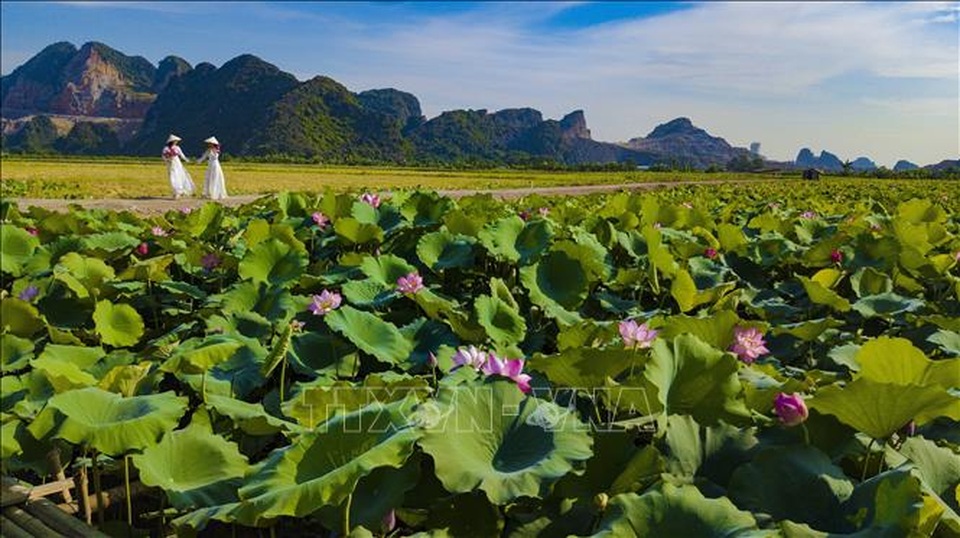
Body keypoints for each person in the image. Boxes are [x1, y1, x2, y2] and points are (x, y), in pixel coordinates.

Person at [162, 134, 195, 199]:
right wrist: (168, 159)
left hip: (177, 163)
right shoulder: (166, 148)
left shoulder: (177, 148)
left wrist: (187, 160)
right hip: (170, 164)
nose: (176, 142)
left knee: (178, 176)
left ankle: (178, 192)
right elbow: (163, 156)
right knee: (172, 177)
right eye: (175, 141)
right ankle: (175, 192)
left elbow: (182, 155)